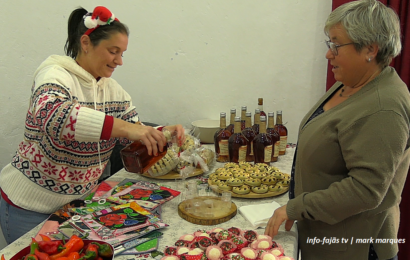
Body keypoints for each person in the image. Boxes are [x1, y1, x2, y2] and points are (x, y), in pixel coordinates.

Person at [0, 6, 185, 244]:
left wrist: (163, 133)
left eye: (122, 53)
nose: (119, 61)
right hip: (29, 208)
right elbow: (54, 117)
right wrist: (130, 129)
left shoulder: (113, 91)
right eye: (113, 51)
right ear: (86, 43)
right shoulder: (54, 75)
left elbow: (133, 133)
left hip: (75, 207)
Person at [264, 0, 409, 259]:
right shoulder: (352, 83)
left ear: (370, 49)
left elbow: (365, 190)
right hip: (324, 236)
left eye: (336, 45)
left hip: (354, 246)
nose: (328, 54)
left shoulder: (382, 107)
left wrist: (297, 207)